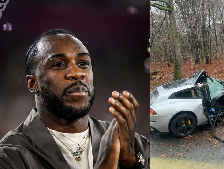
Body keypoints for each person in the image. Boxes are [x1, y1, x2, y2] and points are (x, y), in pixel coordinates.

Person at [0, 29, 149, 169]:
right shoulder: (10, 156)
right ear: (33, 83)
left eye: (83, 63)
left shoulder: (132, 143)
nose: (77, 73)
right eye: (58, 64)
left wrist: (131, 162)